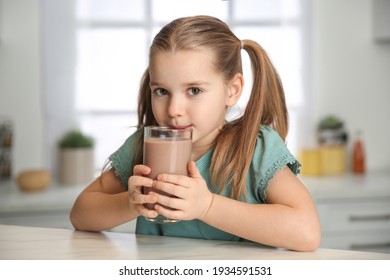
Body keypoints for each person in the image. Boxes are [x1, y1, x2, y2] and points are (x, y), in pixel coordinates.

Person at [70, 15, 321, 252]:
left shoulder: (255, 149)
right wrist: (129, 203)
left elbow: (307, 231)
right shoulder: (144, 145)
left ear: (232, 90)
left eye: (194, 91)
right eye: (162, 91)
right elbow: (80, 214)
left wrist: (207, 206)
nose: (174, 110)